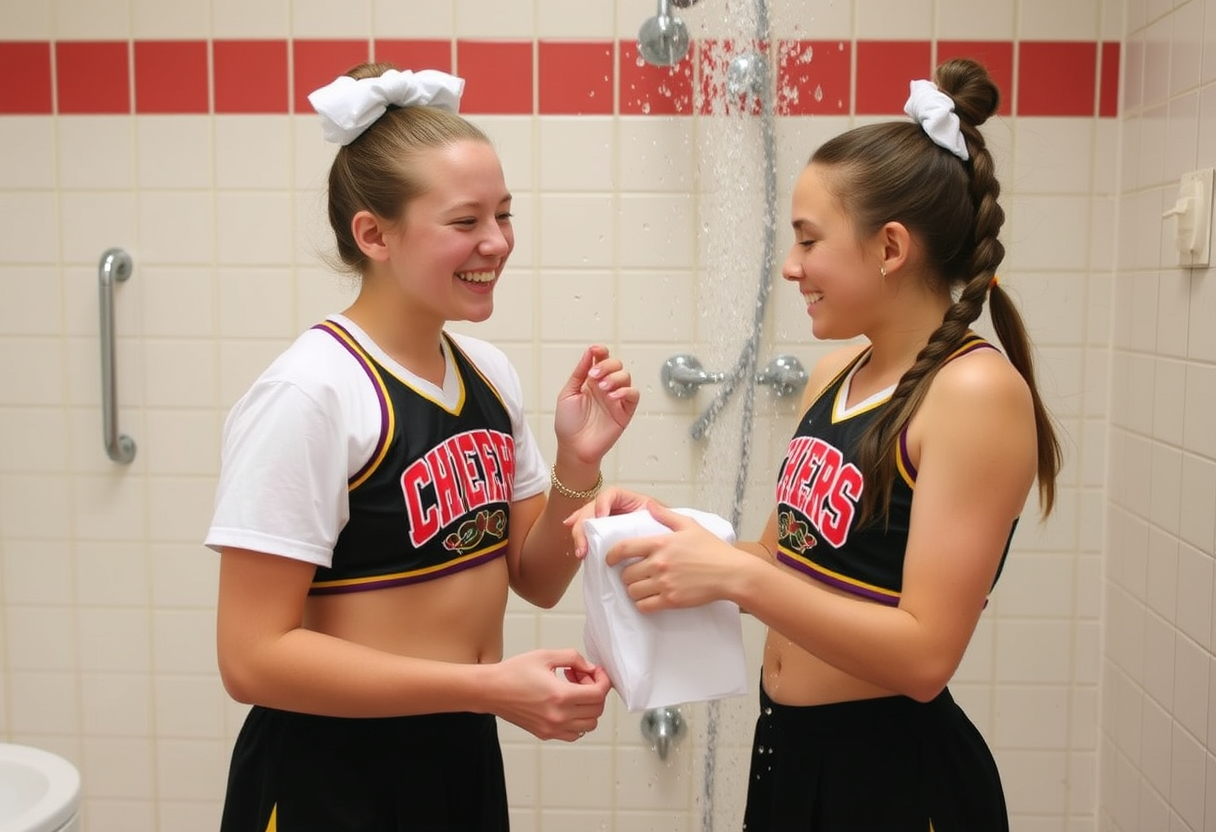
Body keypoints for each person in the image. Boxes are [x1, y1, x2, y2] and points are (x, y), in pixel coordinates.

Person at [568, 58, 1061, 831]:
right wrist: (678, 532)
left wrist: (733, 579)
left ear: (890, 248)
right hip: (792, 754)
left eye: (808, 240)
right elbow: (785, 559)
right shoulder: (835, 375)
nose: (792, 268)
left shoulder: (974, 393)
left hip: (893, 779)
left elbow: (925, 658)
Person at [206, 63, 639, 832]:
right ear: (373, 233)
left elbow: (534, 580)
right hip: (328, 778)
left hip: (459, 756)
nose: (498, 242)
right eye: (466, 221)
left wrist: (579, 462)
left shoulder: (487, 377)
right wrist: (488, 688)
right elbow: (251, 659)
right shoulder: (313, 393)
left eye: (505, 215)